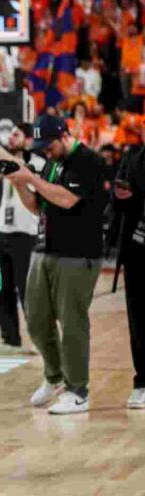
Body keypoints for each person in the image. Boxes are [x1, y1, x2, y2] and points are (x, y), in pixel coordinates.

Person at [6, 114, 108, 415]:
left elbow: (66, 199)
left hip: (77, 254)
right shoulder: (51, 163)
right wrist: (19, 183)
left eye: (49, 146)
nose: (46, 152)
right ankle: (54, 377)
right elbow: (38, 207)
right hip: (45, 249)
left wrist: (31, 179)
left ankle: (78, 391)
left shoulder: (88, 160)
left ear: (65, 136)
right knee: (36, 319)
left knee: (72, 322)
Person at [0, 121, 42, 356]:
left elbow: (17, 167)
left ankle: (40, 341)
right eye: (11, 133)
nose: (12, 137)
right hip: (4, 232)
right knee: (2, 289)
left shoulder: (37, 162)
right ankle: (10, 339)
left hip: (27, 235)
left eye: (17, 134)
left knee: (28, 292)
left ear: (30, 140)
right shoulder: (5, 160)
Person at [114, 143, 145, 409]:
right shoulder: (132, 155)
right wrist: (120, 195)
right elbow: (116, 202)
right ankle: (142, 382)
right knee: (138, 320)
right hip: (136, 248)